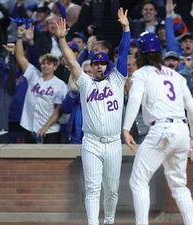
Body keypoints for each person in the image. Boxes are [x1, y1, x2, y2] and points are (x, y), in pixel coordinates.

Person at [55, 8, 130, 225]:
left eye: (102, 63)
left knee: (112, 190)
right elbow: (71, 61)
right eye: (95, 63)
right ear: (91, 66)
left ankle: (109, 221)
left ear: (107, 65)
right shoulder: (86, 84)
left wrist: (126, 28)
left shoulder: (116, 80)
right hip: (91, 143)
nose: (99, 66)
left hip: (114, 143)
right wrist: (62, 40)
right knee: (92, 187)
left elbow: (124, 53)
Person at [122, 32, 193, 225]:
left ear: (140, 54)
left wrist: (126, 127)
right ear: (159, 53)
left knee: (138, 180)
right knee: (179, 186)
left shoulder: (141, 73)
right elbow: (191, 107)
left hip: (162, 129)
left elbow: (134, 98)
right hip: (182, 130)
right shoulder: (175, 75)